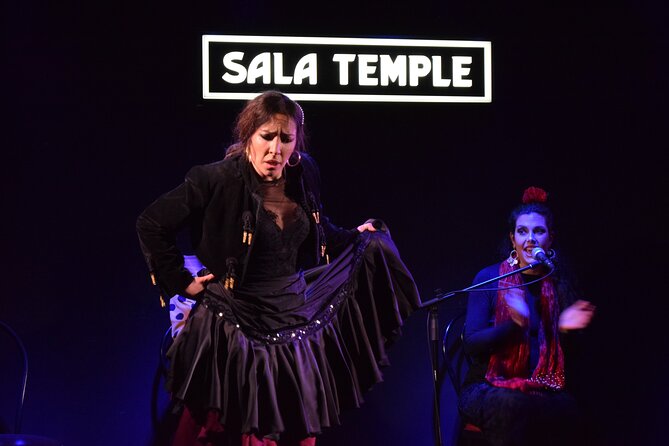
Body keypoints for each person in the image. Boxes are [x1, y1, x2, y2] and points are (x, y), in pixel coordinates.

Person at [136, 90, 421, 446]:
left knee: (297, 431)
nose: (275, 149)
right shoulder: (216, 179)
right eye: (267, 137)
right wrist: (181, 281)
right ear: (248, 136)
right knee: (242, 432)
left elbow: (313, 230)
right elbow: (151, 223)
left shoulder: (305, 172)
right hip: (237, 320)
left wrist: (352, 237)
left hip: (293, 315)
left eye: (286, 139)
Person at [459, 186, 596, 446]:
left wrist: (565, 332)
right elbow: (471, 345)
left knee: (570, 410)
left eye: (538, 231)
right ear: (512, 239)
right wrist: (514, 325)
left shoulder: (559, 284)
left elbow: (574, 362)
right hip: (486, 387)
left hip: (541, 387)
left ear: (550, 238)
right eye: (522, 231)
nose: (530, 238)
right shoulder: (490, 279)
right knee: (514, 406)